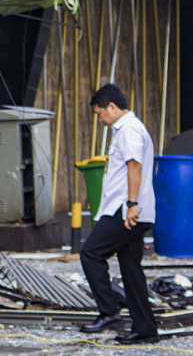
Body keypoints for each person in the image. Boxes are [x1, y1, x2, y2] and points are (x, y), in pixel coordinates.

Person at [80, 83, 159, 344]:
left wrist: (132, 204)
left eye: (100, 113)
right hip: (131, 209)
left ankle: (110, 311)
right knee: (130, 268)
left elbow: (134, 167)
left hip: (125, 210)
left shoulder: (128, 130)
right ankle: (145, 328)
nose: (100, 120)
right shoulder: (132, 129)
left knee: (91, 253)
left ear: (112, 107)